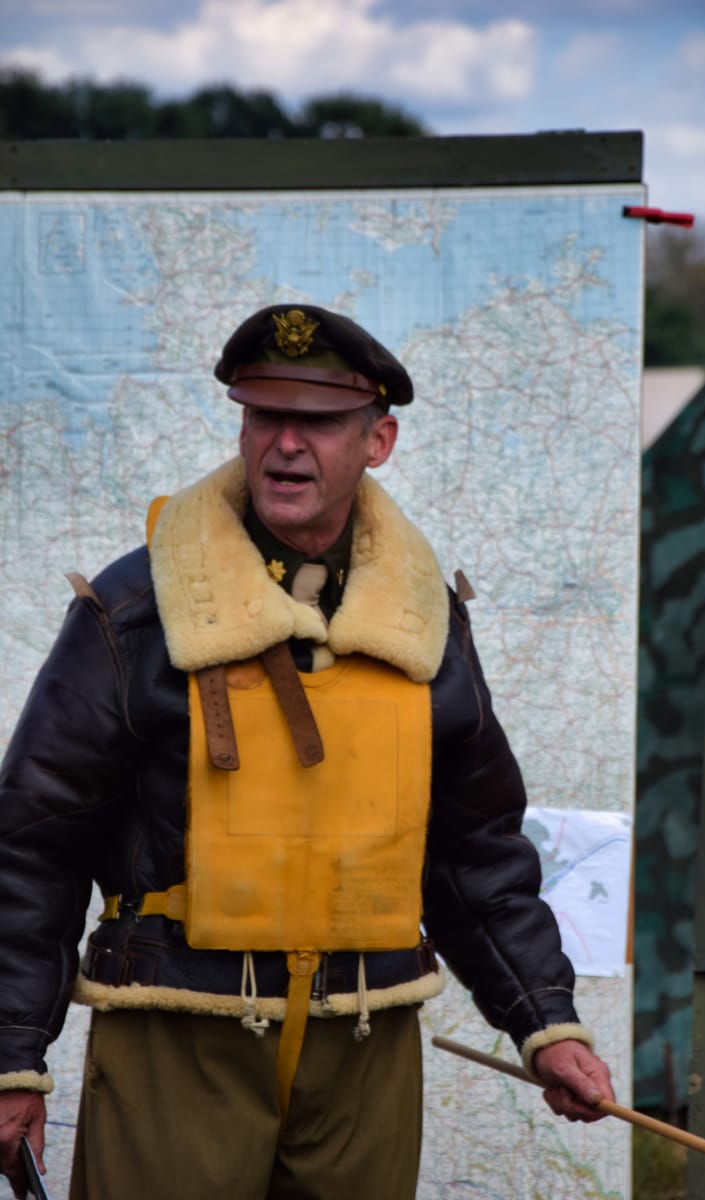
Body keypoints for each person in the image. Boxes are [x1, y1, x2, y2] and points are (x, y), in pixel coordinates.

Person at [0, 304, 614, 1200]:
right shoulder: (137, 610)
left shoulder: (425, 623)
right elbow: (33, 843)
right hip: (179, 1037)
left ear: (379, 440)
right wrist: (13, 1059)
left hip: (366, 1051)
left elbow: (475, 848)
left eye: (320, 422)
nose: (286, 445)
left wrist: (546, 1024)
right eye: (264, 416)